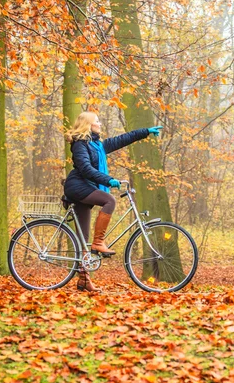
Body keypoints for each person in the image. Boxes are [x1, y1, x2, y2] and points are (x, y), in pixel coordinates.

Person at [64, 111, 163, 292]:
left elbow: (124, 139)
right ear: (88, 124)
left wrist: (146, 131)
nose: (100, 124)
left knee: (82, 238)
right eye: (97, 121)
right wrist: (108, 180)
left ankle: (83, 280)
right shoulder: (80, 145)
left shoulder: (98, 145)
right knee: (109, 200)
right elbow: (85, 169)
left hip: (86, 186)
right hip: (78, 186)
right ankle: (99, 242)